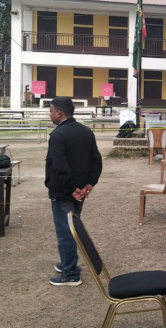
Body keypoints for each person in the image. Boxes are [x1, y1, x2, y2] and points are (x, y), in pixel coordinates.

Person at [45, 97, 102, 286]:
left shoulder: (58, 135)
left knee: (65, 232)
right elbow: (96, 161)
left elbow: (60, 167)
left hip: (64, 192)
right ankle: (66, 263)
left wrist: (71, 189)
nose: (50, 114)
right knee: (72, 229)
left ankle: (70, 273)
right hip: (79, 191)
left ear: (59, 113)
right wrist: (89, 183)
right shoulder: (86, 131)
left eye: (51, 111)